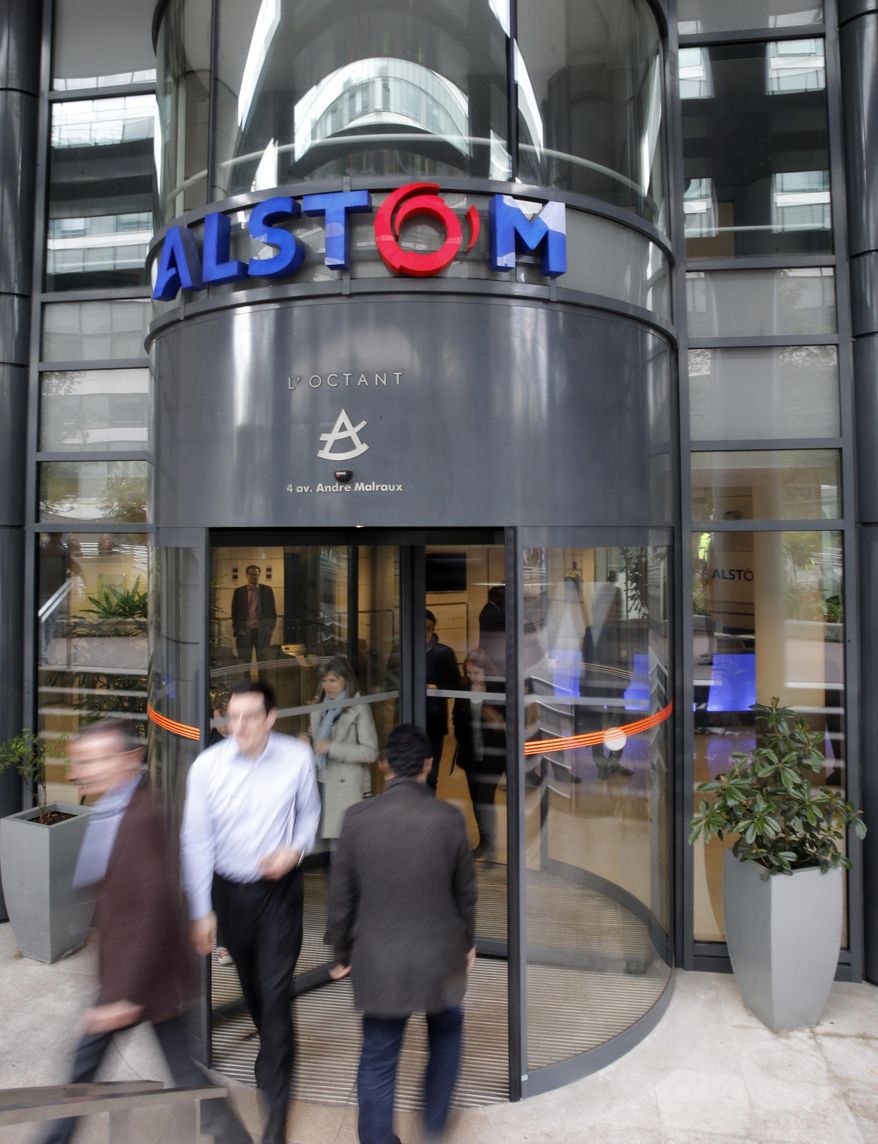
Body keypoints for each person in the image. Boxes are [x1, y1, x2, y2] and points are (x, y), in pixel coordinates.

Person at [39, 719, 249, 1144]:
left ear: (129, 759)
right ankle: (234, 1138)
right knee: (183, 1070)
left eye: (96, 760)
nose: (84, 771)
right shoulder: (115, 806)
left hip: (139, 977)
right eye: (82, 761)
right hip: (143, 974)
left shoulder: (144, 815)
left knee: (86, 1067)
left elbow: (151, 909)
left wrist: (119, 995)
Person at [181, 679, 321, 1144]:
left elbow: (308, 815)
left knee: (276, 996)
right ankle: (275, 1044)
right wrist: (202, 910)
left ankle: (275, 1123)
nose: (236, 726)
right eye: (231, 717)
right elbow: (196, 841)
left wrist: (295, 850)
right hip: (229, 893)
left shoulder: (296, 758)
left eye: (248, 717)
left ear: (271, 718)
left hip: (278, 892)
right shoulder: (206, 767)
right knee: (253, 988)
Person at [326, 724, 477, 1144]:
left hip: (380, 961)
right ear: (428, 766)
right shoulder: (449, 819)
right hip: (440, 958)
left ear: (384, 765)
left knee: (378, 1054)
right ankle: (432, 1123)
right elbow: (466, 893)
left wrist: (340, 953)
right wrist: (467, 943)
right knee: (446, 1032)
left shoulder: (356, 819)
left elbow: (341, 898)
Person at [304, 655, 379, 843]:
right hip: (319, 783)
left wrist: (332, 748)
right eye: (324, 681)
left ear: (346, 680)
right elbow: (317, 736)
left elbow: (371, 752)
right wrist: (306, 738)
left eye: (333, 680)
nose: (328, 686)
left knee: (339, 850)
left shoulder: (358, 707)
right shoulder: (320, 707)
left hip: (345, 789)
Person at [452, 648, 506, 861]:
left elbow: (504, 722)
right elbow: (457, 715)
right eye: (469, 673)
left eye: (476, 673)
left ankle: (489, 842)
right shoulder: (463, 687)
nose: (472, 677)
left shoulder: (497, 688)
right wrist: (459, 735)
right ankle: (485, 840)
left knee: (485, 795)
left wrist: (486, 708)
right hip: (470, 750)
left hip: (493, 752)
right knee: (476, 798)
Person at [424, 610, 461, 791]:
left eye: (429, 629)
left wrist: (437, 688)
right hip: (407, 717)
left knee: (430, 775)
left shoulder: (444, 653)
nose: (425, 633)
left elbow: (456, 685)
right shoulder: (402, 651)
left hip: (433, 720)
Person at [230, 564, 277, 664]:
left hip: (262, 632)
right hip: (244, 632)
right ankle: (246, 680)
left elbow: (272, 612)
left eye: (256, 574)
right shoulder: (238, 592)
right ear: (246, 575)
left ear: (259, 575)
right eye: (251, 574)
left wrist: (269, 629)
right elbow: (234, 612)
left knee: (263, 662)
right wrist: (237, 629)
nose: (254, 577)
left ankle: (262, 680)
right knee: (244, 661)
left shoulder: (267, 590)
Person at [477, 585, 506, 676]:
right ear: (495, 598)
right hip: (493, 652)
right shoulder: (492, 612)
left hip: (491, 650)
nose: (504, 600)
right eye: (503, 597)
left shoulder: (491, 609)